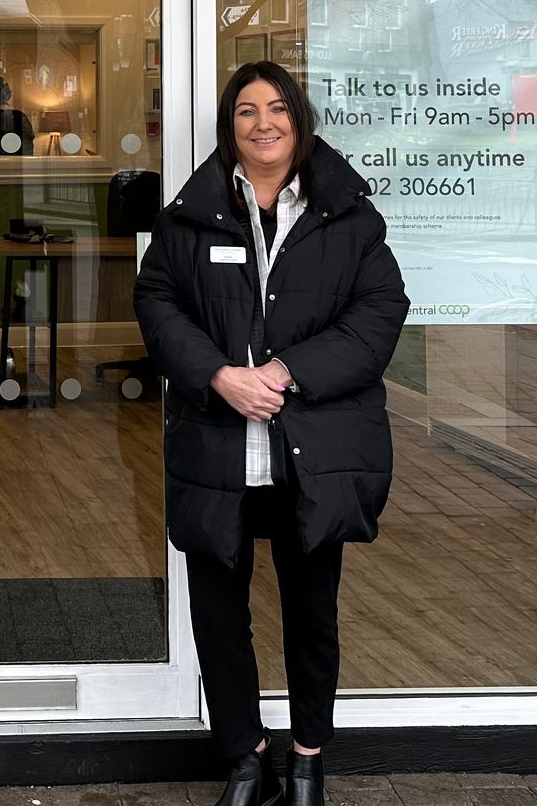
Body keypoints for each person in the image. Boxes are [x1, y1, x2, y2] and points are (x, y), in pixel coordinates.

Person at [134, 61, 409, 806]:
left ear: (300, 120)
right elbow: (156, 301)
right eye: (248, 110)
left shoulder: (347, 216)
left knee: (312, 612)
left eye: (278, 108)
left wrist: (286, 371)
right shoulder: (191, 214)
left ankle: (308, 760)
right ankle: (248, 760)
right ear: (230, 127)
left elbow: (380, 313)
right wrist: (218, 375)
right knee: (218, 615)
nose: (264, 123)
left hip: (310, 452)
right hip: (217, 445)